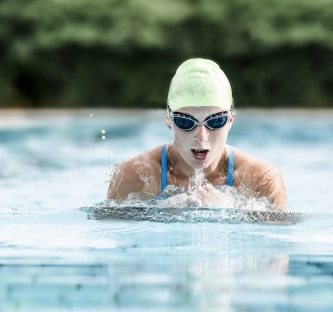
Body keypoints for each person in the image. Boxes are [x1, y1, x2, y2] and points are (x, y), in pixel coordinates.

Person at [107, 58, 287, 211]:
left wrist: (232, 211)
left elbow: (277, 244)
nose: (201, 136)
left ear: (230, 121)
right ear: (169, 120)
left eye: (215, 121)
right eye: (186, 121)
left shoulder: (262, 181)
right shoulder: (133, 176)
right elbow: (110, 232)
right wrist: (160, 213)